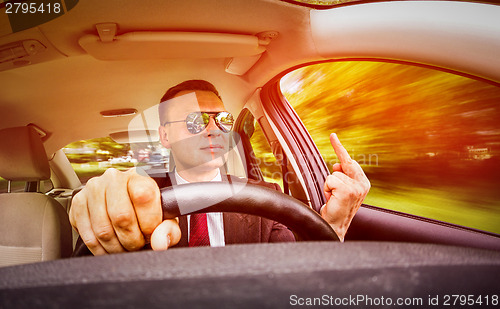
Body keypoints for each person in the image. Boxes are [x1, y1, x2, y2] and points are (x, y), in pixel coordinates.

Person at [69, 80, 371, 255]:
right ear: (165, 135)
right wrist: (103, 205)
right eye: (196, 120)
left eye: (222, 119)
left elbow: (295, 283)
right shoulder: (140, 200)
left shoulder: (269, 198)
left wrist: (333, 228)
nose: (213, 129)